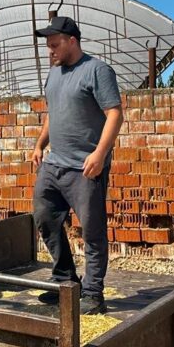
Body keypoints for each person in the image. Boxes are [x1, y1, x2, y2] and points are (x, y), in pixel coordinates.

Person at [30, 16, 123, 315]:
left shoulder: (97, 70)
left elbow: (115, 114)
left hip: (85, 167)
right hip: (54, 164)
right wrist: (40, 144)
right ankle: (66, 282)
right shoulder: (53, 74)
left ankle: (94, 293)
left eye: (55, 44)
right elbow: (52, 113)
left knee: (92, 232)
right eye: (48, 45)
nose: (50, 50)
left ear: (72, 41)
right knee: (44, 217)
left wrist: (100, 154)